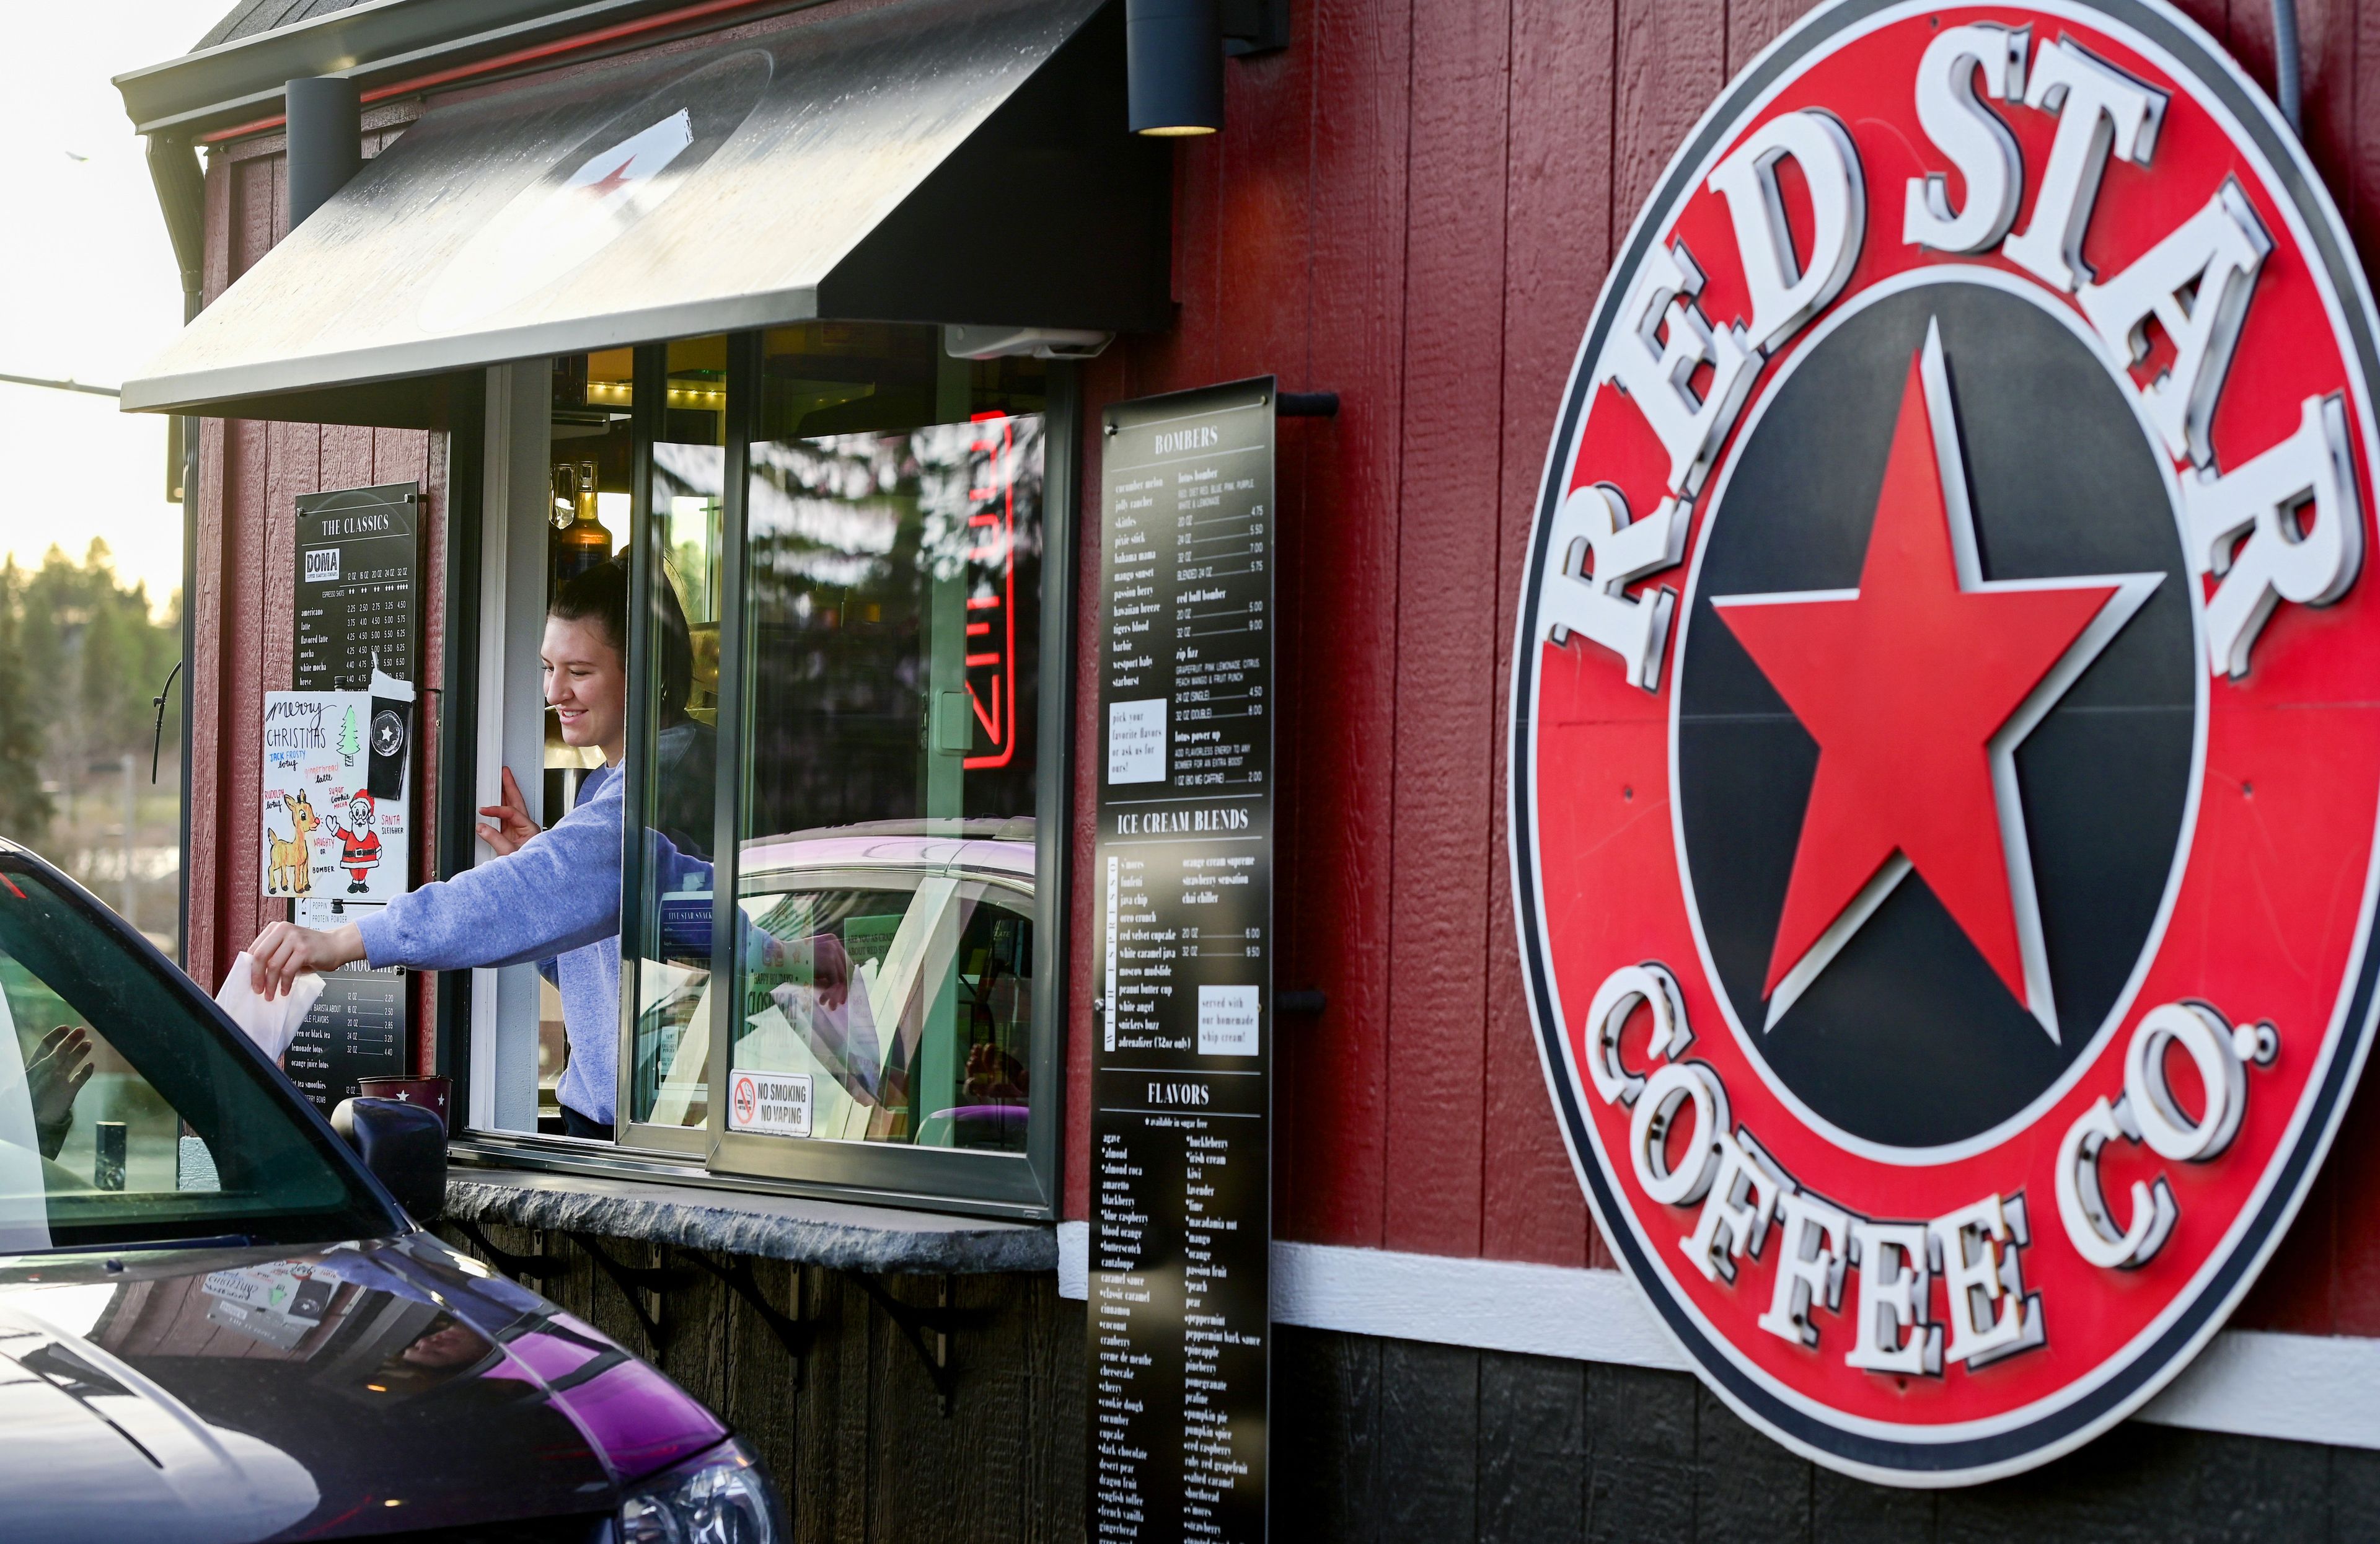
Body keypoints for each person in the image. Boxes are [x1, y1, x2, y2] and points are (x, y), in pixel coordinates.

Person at [247, 559, 840, 1141]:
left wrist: (344, 941)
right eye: (547, 667)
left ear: (645, 670)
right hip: (613, 1121)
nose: (555, 692)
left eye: (578, 670)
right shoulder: (608, 787)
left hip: (674, 1134)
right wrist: (543, 866)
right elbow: (596, 961)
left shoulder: (672, 782)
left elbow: (589, 894)